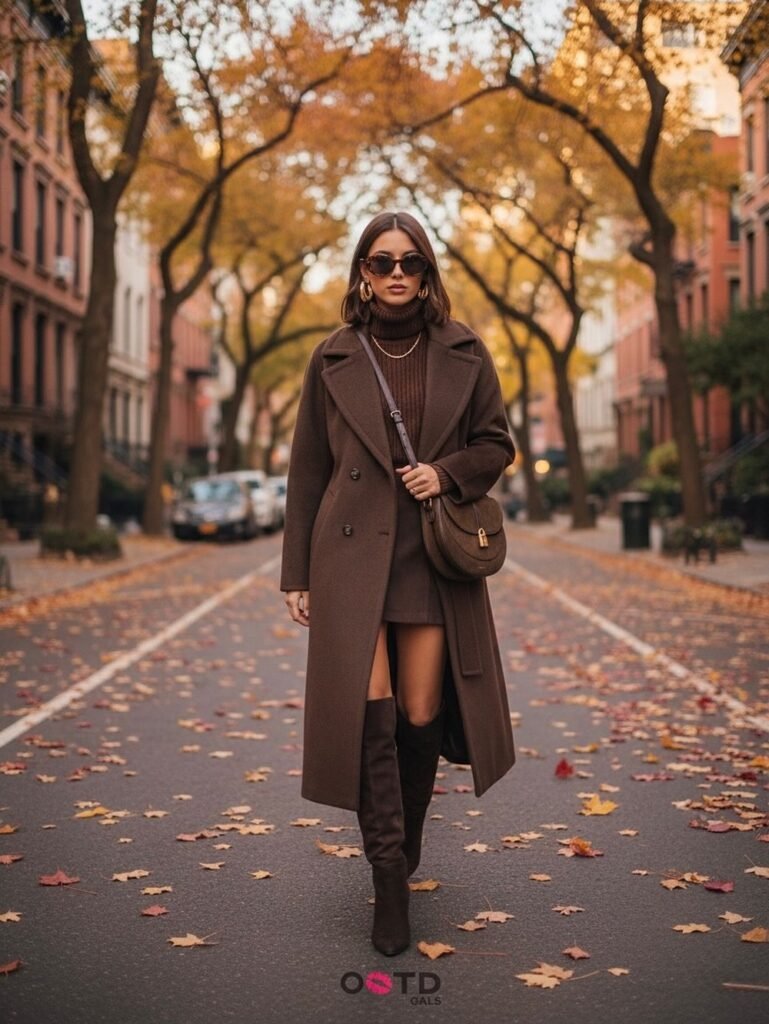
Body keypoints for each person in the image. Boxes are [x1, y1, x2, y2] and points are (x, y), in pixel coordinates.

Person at [281, 211, 516, 957]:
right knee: (372, 717)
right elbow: (306, 472)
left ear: (426, 273)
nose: (394, 274)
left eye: (409, 262)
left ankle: (404, 842)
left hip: (426, 556)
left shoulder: (465, 350)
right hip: (348, 559)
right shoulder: (333, 356)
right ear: (360, 271)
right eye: (380, 261)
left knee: (419, 714)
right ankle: (389, 881)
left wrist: (443, 473)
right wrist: (296, 573)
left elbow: (496, 444)